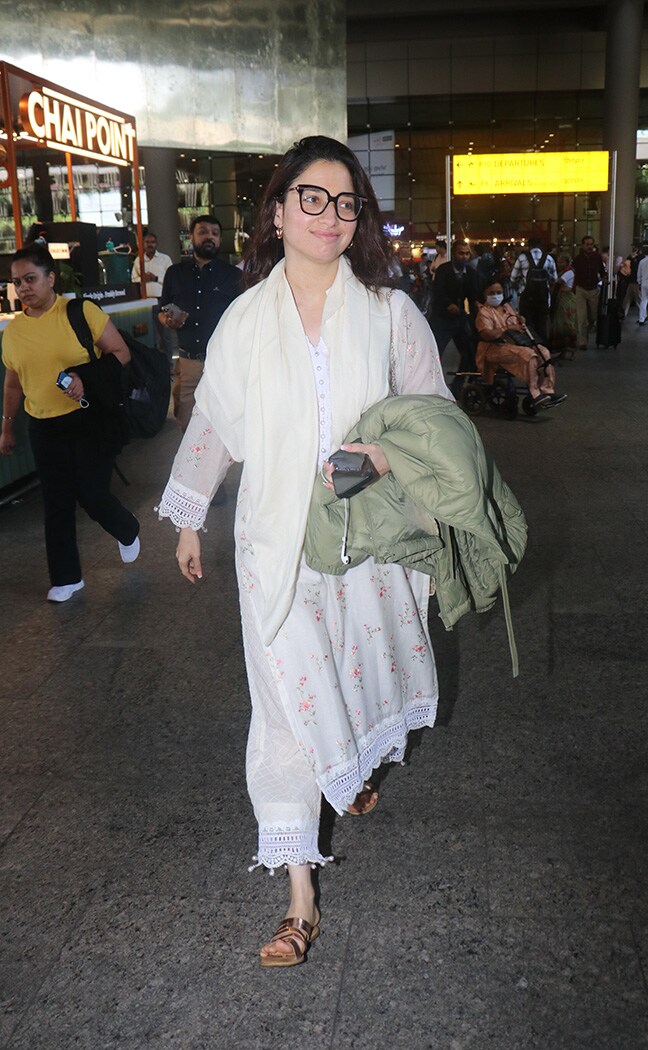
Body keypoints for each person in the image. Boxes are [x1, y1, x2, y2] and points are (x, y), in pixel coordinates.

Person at [157, 136, 452, 968]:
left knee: (353, 682)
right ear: (279, 210)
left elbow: (435, 416)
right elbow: (215, 418)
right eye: (312, 199)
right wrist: (188, 517)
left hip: (368, 547)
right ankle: (299, 895)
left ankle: (349, 763)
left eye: (345, 202)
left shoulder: (392, 313)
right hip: (273, 547)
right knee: (284, 708)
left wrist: (385, 457)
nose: (330, 216)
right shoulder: (246, 319)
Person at [0, 245, 140, 602]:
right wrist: (7, 426)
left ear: (50, 278)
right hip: (43, 426)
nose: (24, 288)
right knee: (57, 502)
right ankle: (66, 577)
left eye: (30, 278)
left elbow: (120, 353)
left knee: (92, 495)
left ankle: (126, 528)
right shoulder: (14, 332)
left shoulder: (79, 312)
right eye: (17, 282)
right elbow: (13, 382)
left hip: (89, 417)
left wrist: (83, 377)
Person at [159, 214, 242, 431]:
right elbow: (163, 308)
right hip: (189, 364)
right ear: (191, 238)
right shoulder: (175, 273)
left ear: (220, 241)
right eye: (203, 232)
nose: (209, 237)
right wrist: (167, 319)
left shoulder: (233, 276)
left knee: (223, 428)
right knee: (186, 424)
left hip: (223, 364)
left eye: (215, 234)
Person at [475, 279, 566, 411]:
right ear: (485, 294)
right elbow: (487, 335)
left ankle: (547, 390)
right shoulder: (484, 312)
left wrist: (520, 321)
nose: (496, 295)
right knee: (529, 356)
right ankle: (534, 392)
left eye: (499, 292)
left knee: (543, 352)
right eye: (492, 293)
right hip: (493, 348)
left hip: (515, 344)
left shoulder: (507, 308)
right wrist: (507, 328)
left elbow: (517, 324)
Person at [429, 239, 478, 391]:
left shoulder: (470, 273)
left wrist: (476, 314)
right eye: (461, 253)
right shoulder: (443, 270)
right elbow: (437, 292)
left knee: (468, 353)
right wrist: (448, 305)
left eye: (467, 254)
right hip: (441, 320)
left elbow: (472, 296)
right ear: (454, 254)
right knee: (435, 353)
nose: (464, 257)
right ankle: (431, 385)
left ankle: (457, 386)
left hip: (460, 320)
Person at [131, 231, 174, 361]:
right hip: (145, 302)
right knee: (151, 335)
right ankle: (156, 364)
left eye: (152, 242)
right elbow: (133, 278)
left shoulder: (165, 259)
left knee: (165, 335)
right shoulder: (139, 260)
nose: (150, 245)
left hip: (162, 301)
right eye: (147, 242)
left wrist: (155, 278)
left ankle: (168, 365)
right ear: (143, 244)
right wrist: (142, 278)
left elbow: (171, 279)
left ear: (156, 244)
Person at [509, 237, 557, 340]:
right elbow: (554, 279)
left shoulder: (522, 258)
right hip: (543, 298)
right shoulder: (548, 258)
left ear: (528, 246)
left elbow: (513, 278)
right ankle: (543, 351)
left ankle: (531, 350)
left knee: (528, 325)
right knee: (542, 325)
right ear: (541, 246)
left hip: (526, 298)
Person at [571, 235, 606, 351]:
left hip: (593, 289)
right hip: (581, 289)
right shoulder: (577, 259)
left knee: (593, 316)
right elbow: (573, 273)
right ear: (583, 245)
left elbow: (602, 271)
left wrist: (604, 279)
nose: (589, 247)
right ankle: (582, 341)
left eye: (591, 244)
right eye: (587, 244)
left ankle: (588, 329)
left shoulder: (597, 257)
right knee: (581, 317)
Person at [549, 254, 577, 358]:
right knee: (560, 323)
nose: (559, 264)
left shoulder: (569, 272)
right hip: (560, 298)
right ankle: (563, 350)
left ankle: (569, 349)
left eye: (561, 262)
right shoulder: (562, 272)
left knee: (566, 323)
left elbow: (559, 282)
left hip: (566, 299)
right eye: (558, 262)